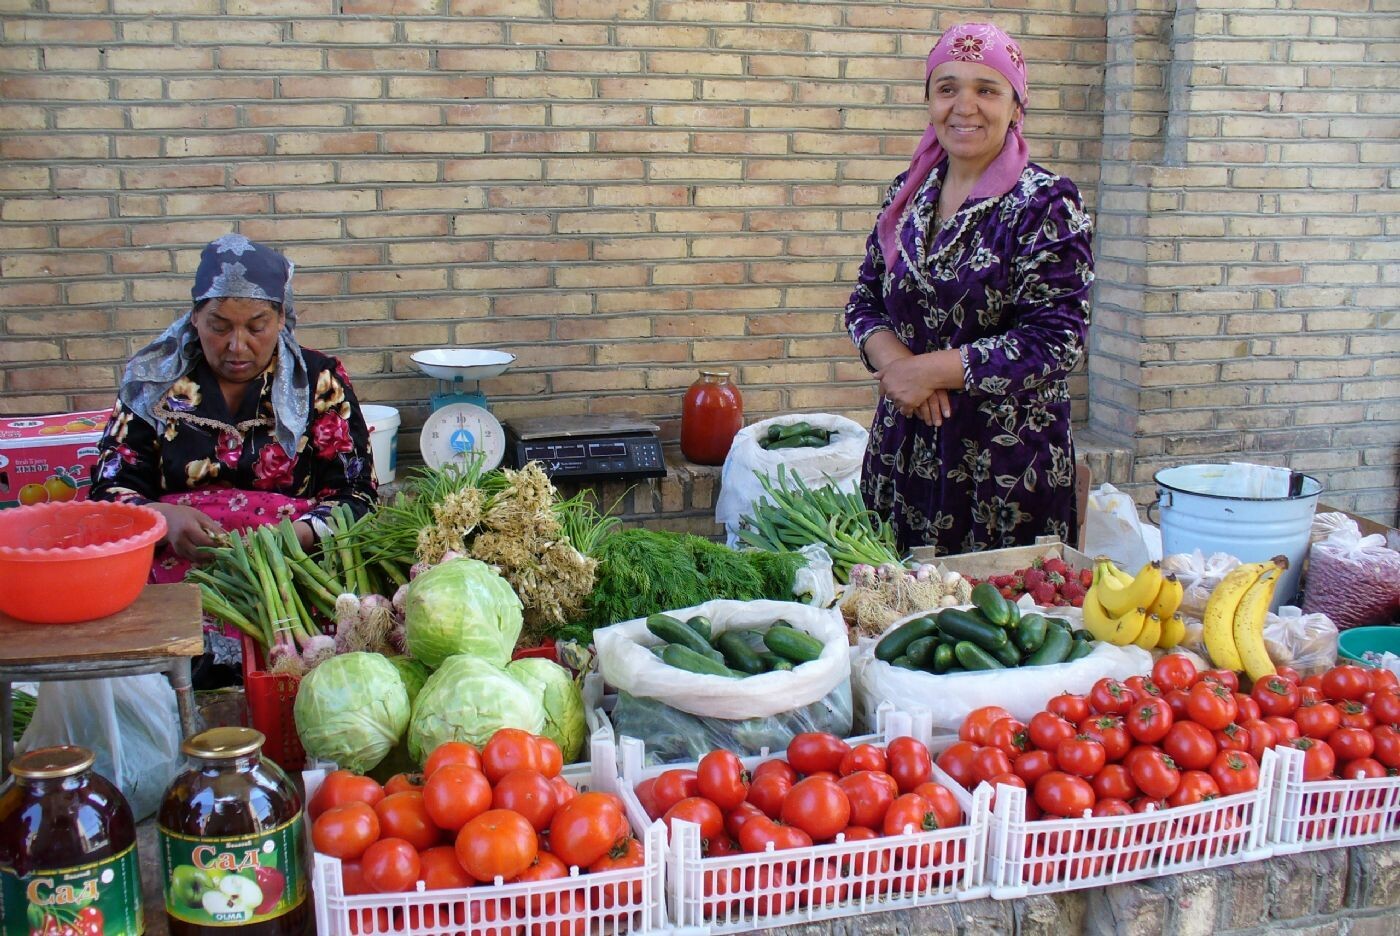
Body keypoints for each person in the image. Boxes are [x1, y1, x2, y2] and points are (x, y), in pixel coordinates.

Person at [844, 22, 1094, 555]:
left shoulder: (1046, 204)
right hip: (903, 455)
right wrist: (898, 366)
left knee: (995, 626)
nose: (965, 106)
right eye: (947, 87)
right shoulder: (908, 194)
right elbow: (865, 299)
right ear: (929, 100)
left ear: (1016, 106)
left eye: (987, 89)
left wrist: (929, 370)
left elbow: (1056, 339)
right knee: (892, 621)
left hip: (1004, 470)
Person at [90, 235, 377, 669]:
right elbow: (108, 491)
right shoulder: (153, 384)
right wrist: (161, 520)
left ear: (282, 318)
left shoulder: (319, 382)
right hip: (178, 586)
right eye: (219, 326)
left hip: (291, 582)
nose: (237, 345)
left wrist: (294, 537)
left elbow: (357, 497)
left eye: (256, 326)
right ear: (195, 318)